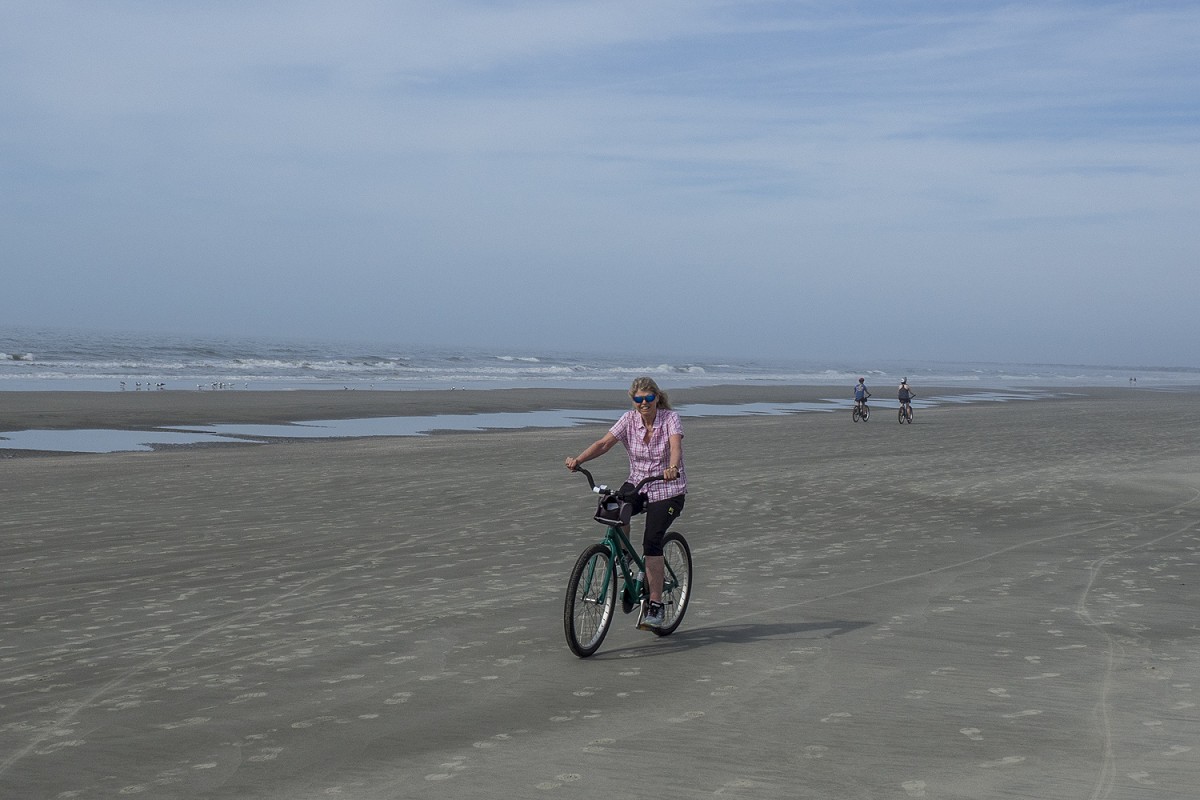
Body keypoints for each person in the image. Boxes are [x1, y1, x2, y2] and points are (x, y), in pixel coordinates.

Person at [565, 377, 686, 630]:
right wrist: (579, 460)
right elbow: (604, 443)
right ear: (633, 401)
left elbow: (675, 446)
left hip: (668, 488)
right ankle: (627, 559)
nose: (644, 403)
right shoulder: (628, 420)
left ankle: (655, 605)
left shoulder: (669, 419)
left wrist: (672, 467)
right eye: (638, 399)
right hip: (639, 482)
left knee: (652, 541)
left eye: (649, 398)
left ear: (657, 397)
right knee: (613, 507)